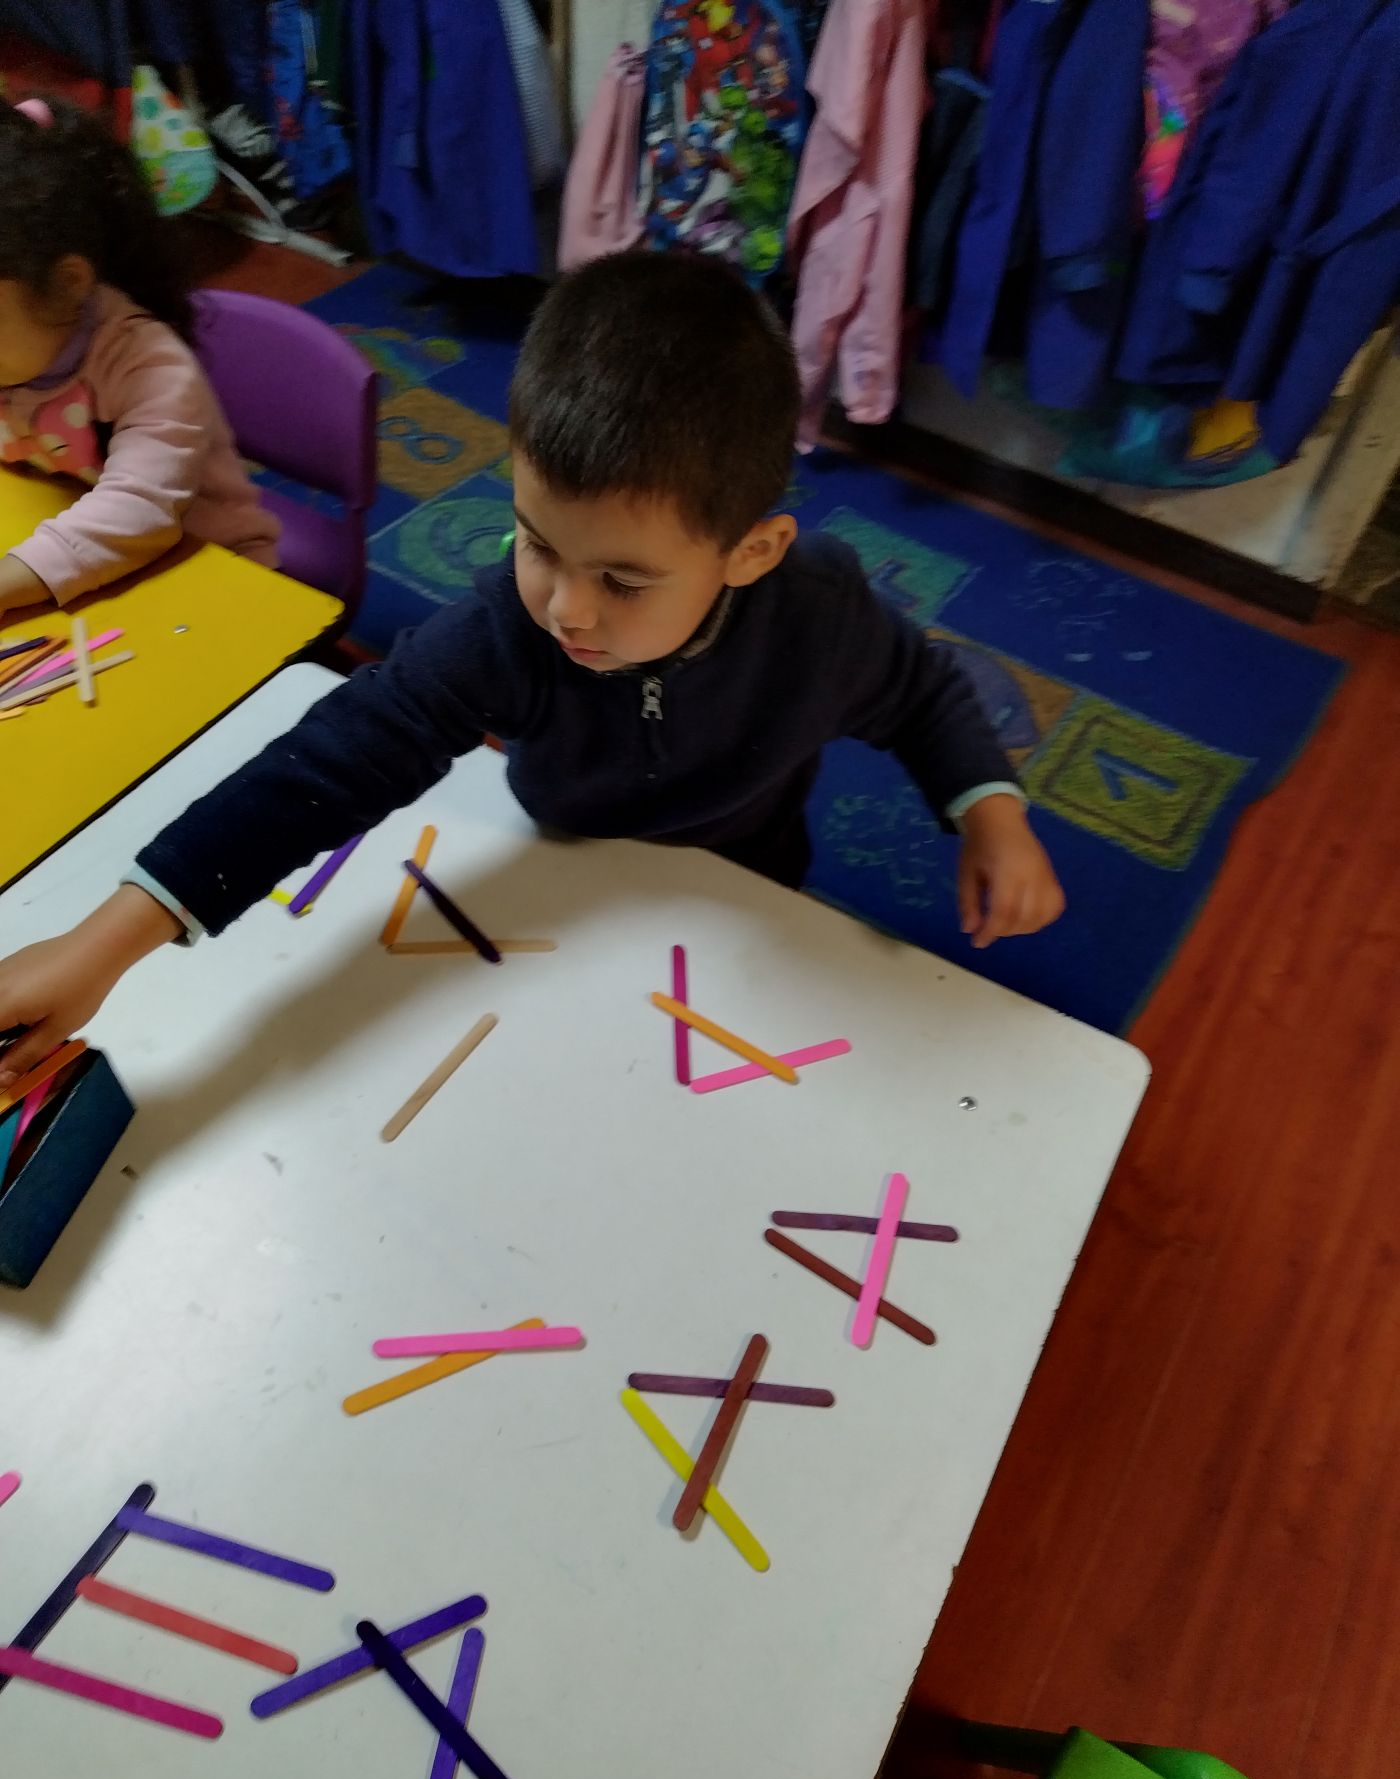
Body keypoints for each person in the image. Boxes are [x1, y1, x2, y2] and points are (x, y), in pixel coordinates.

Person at [0, 250, 1063, 1089]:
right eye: (537, 540)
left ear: (751, 551)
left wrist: (989, 810)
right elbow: (330, 761)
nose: (566, 608)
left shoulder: (820, 611)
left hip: (746, 881)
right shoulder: (508, 624)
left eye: (622, 578)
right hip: (561, 863)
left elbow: (921, 689)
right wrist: (108, 941)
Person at [0, 97, 277, 619]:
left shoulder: (147, 368)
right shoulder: (19, 345)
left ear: (68, 284)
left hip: (209, 568)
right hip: (76, 551)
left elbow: (139, 510)